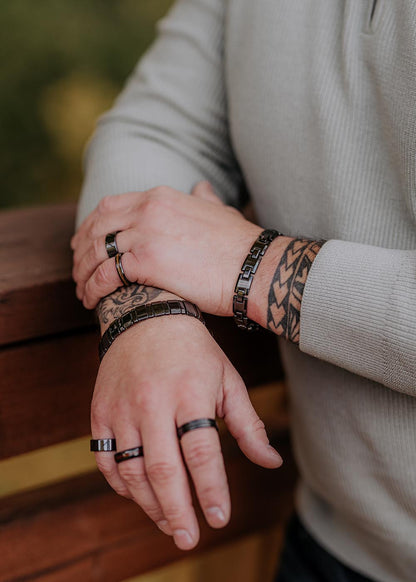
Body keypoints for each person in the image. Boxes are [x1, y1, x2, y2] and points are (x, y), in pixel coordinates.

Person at [71, 1, 416, 581]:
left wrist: (253, 265)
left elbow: (237, 258)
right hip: (334, 546)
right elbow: (157, 129)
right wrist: (148, 313)